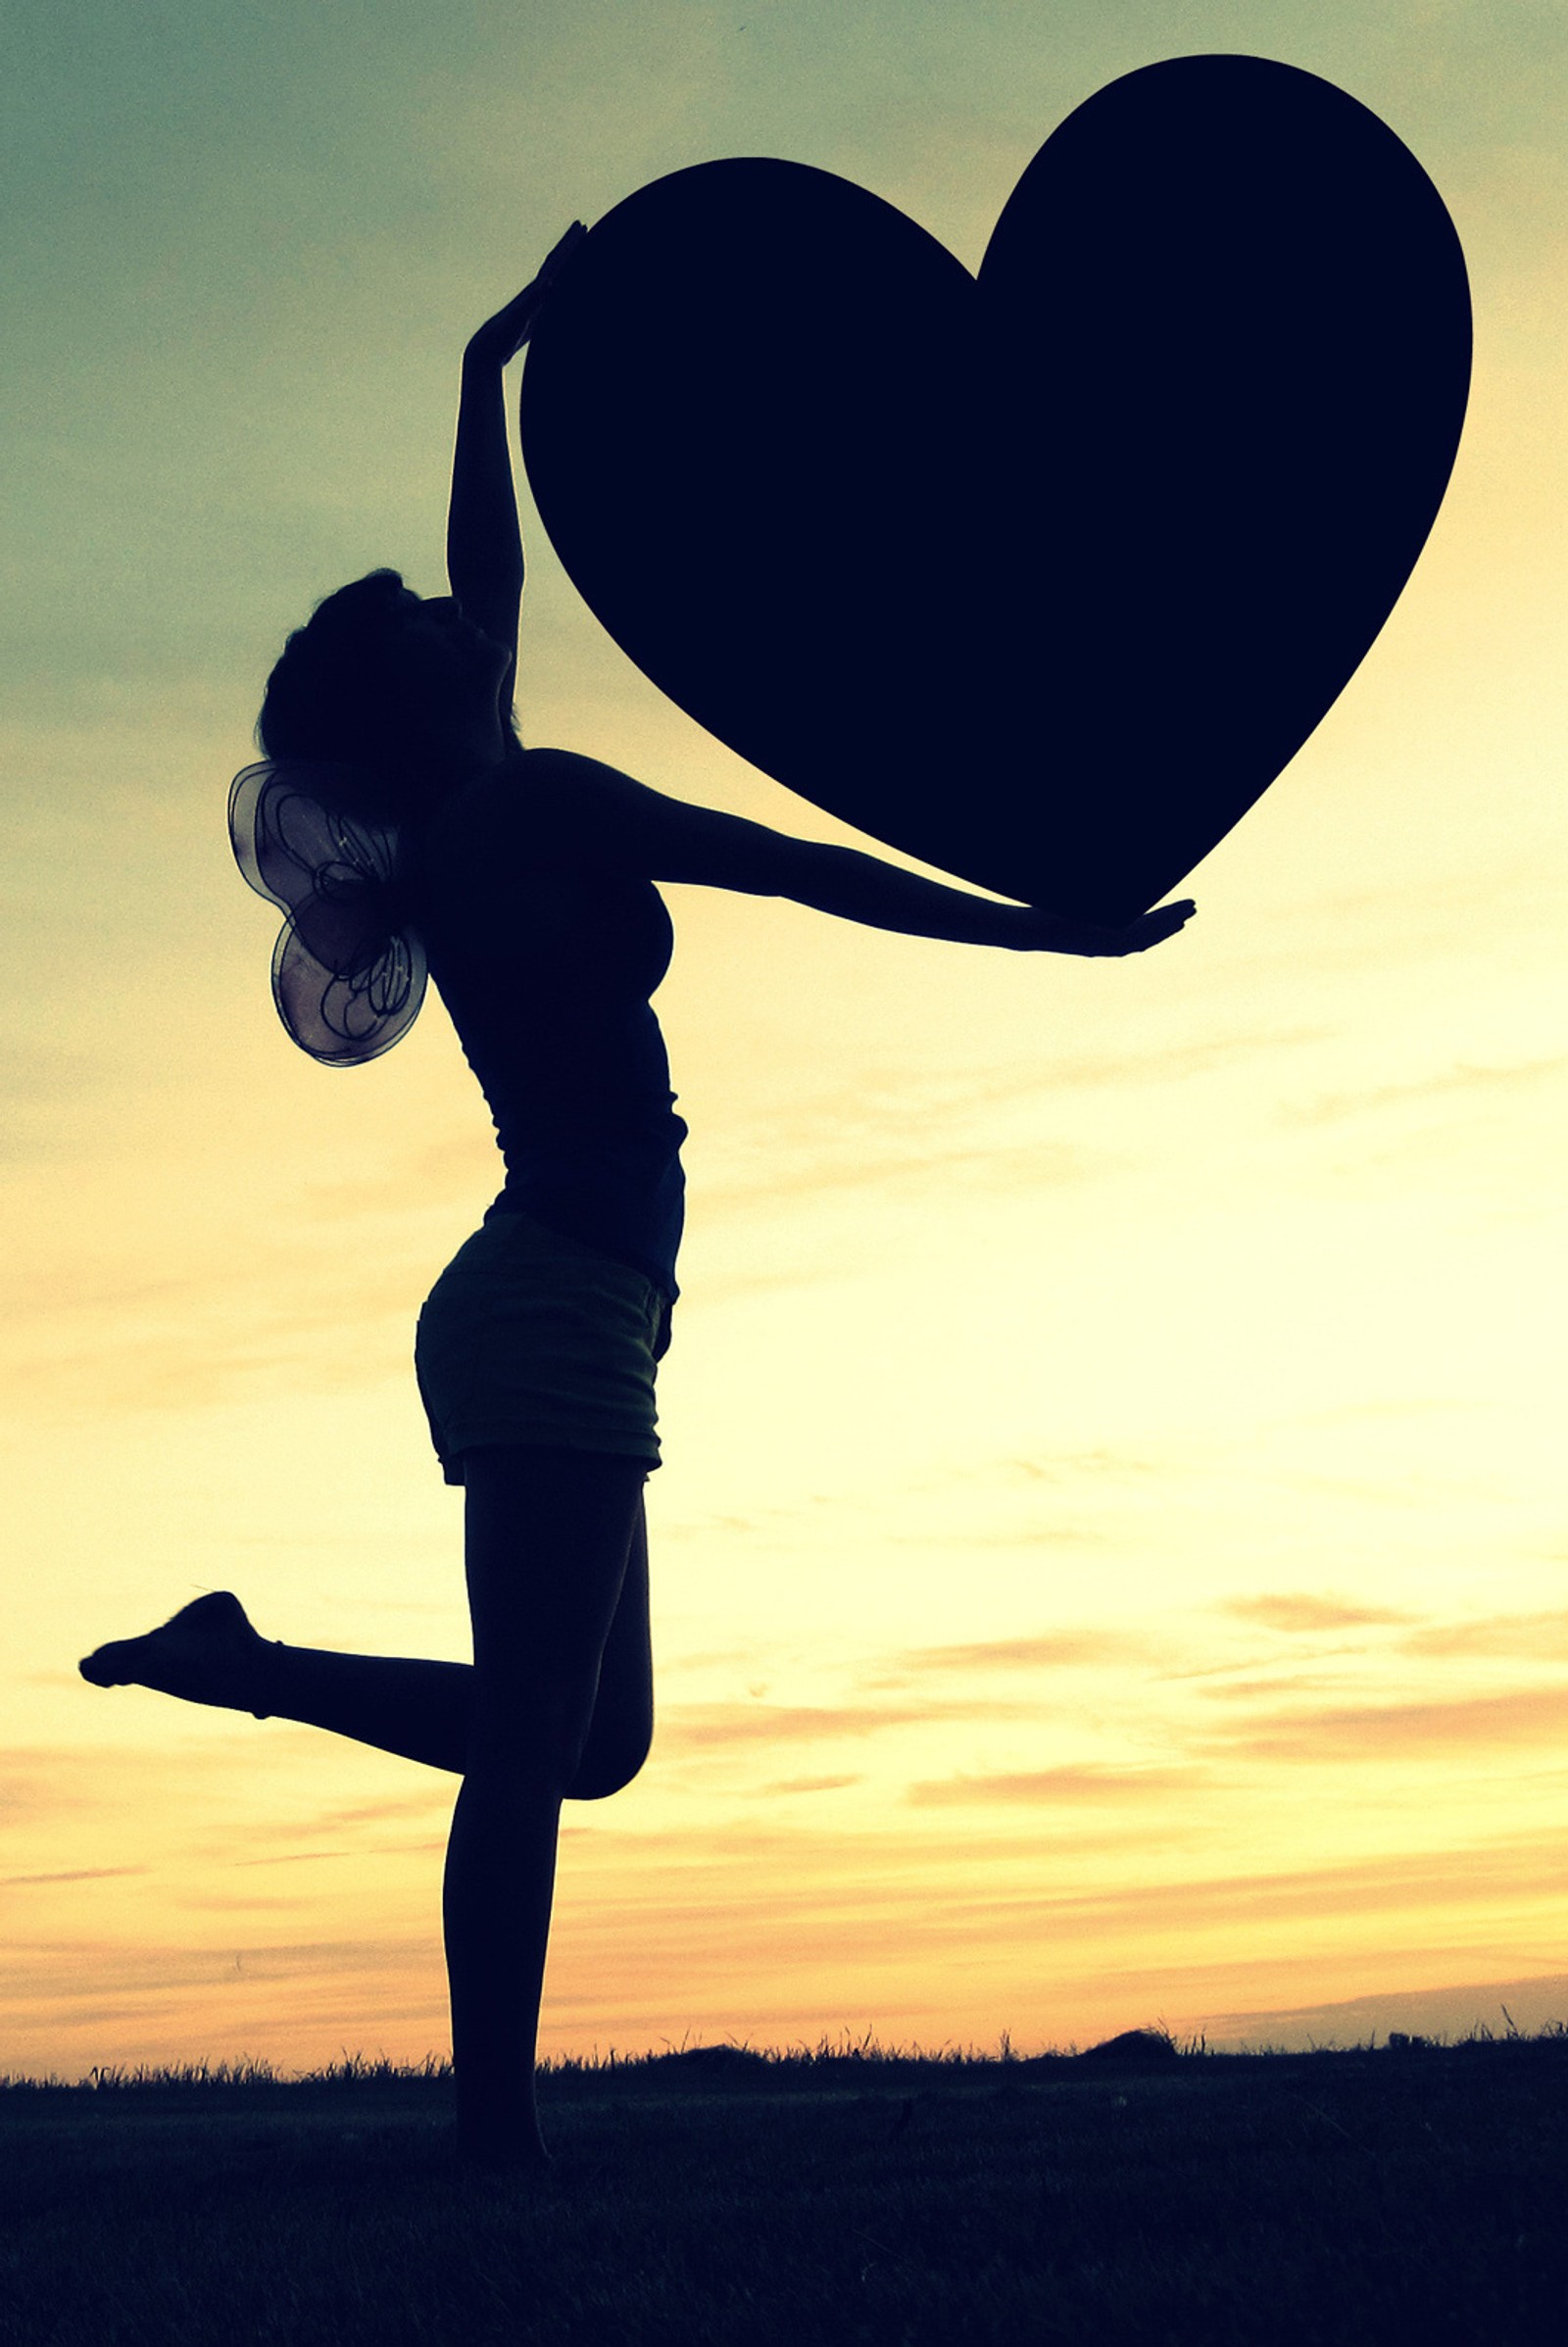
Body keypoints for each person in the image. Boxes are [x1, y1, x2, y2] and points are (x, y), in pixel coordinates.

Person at [79, 225, 1195, 2170]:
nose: (461, 610)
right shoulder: (535, 804)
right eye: (426, 622)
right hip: (553, 1296)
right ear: (409, 700)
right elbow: (787, 864)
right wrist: (1044, 931)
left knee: (590, 1738)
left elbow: (487, 577)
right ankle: (490, 2139)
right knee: (535, 1741)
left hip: (571, 1296)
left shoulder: (469, 799)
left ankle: (237, 1662)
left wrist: (482, 364)